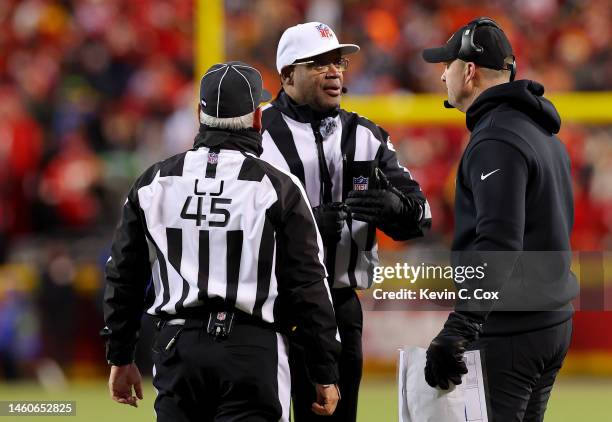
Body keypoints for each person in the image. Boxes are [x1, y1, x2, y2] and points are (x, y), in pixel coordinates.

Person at [101, 61, 341, 421]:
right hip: (252, 349)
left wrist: (120, 354)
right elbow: (308, 284)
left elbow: (124, 274)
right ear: (257, 118)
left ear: (199, 113)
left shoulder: (155, 181)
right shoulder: (278, 187)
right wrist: (325, 370)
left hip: (177, 349)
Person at [261, 22, 431, 421]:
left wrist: (394, 208)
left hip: (337, 307)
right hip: (264, 308)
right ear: (287, 74)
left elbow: (420, 215)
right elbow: (230, 222)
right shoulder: (257, 134)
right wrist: (299, 227)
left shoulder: (366, 136)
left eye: (338, 62)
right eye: (319, 63)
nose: (335, 71)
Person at [421, 17, 578, 421]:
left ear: (469, 70)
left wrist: (461, 326)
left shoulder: (496, 138)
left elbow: (498, 244)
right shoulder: (539, 132)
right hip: (551, 319)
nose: (442, 75)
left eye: (448, 65)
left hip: (512, 328)